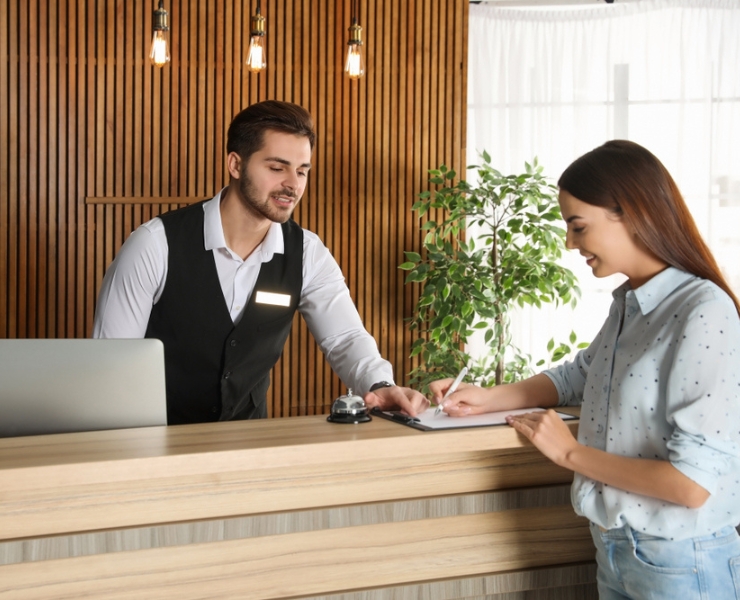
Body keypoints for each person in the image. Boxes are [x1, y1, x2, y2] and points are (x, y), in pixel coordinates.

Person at [431, 140, 740, 599]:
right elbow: (578, 375)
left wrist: (568, 453)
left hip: (680, 561)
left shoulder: (703, 310)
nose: (569, 243)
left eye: (578, 226)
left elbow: (692, 485)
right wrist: (489, 397)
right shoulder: (630, 303)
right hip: (615, 549)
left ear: (631, 213)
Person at [94, 100, 428, 424]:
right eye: (277, 168)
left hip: (249, 445)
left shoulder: (306, 253)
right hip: (157, 445)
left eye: (302, 171)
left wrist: (380, 386)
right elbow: (113, 364)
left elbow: (345, 338)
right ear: (236, 165)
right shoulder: (155, 244)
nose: (293, 184)